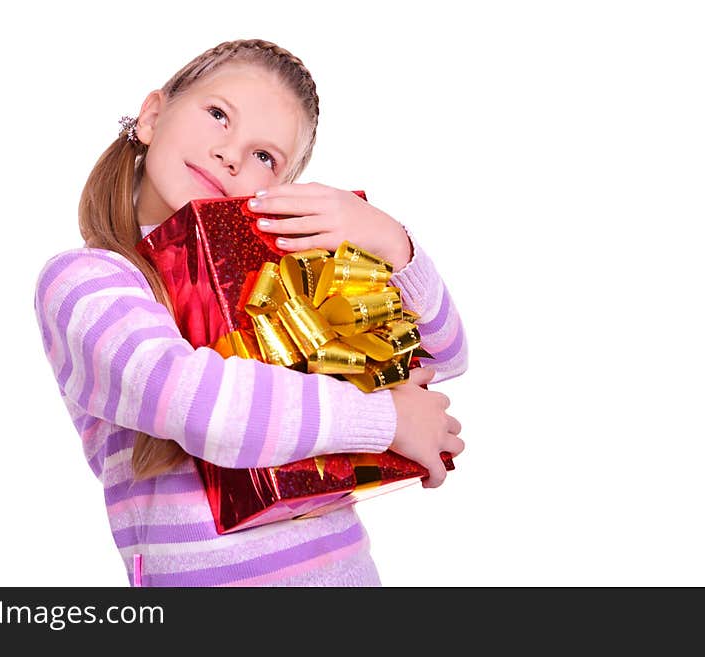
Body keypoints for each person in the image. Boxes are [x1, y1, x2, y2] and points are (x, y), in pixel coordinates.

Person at [33, 38, 468, 587]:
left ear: (277, 187)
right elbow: (192, 398)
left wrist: (391, 243)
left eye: (265, 156)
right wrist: (388, 421)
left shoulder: (282, 279)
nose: (232, 155)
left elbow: (440, 356)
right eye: (218, 115)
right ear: (152, 114)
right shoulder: (87, 280)